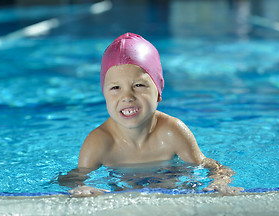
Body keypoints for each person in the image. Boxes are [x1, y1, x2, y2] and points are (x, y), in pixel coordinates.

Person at [58, 33, 243, 197]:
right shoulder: (99, 142)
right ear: (104, 94)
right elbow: (73, 178)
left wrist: (220, 181)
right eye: (115, 88)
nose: (127, 97)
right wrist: (80, 188)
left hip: (171, 183)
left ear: (159, 92)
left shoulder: (173, 131)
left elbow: (210, 166)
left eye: (139, 85)